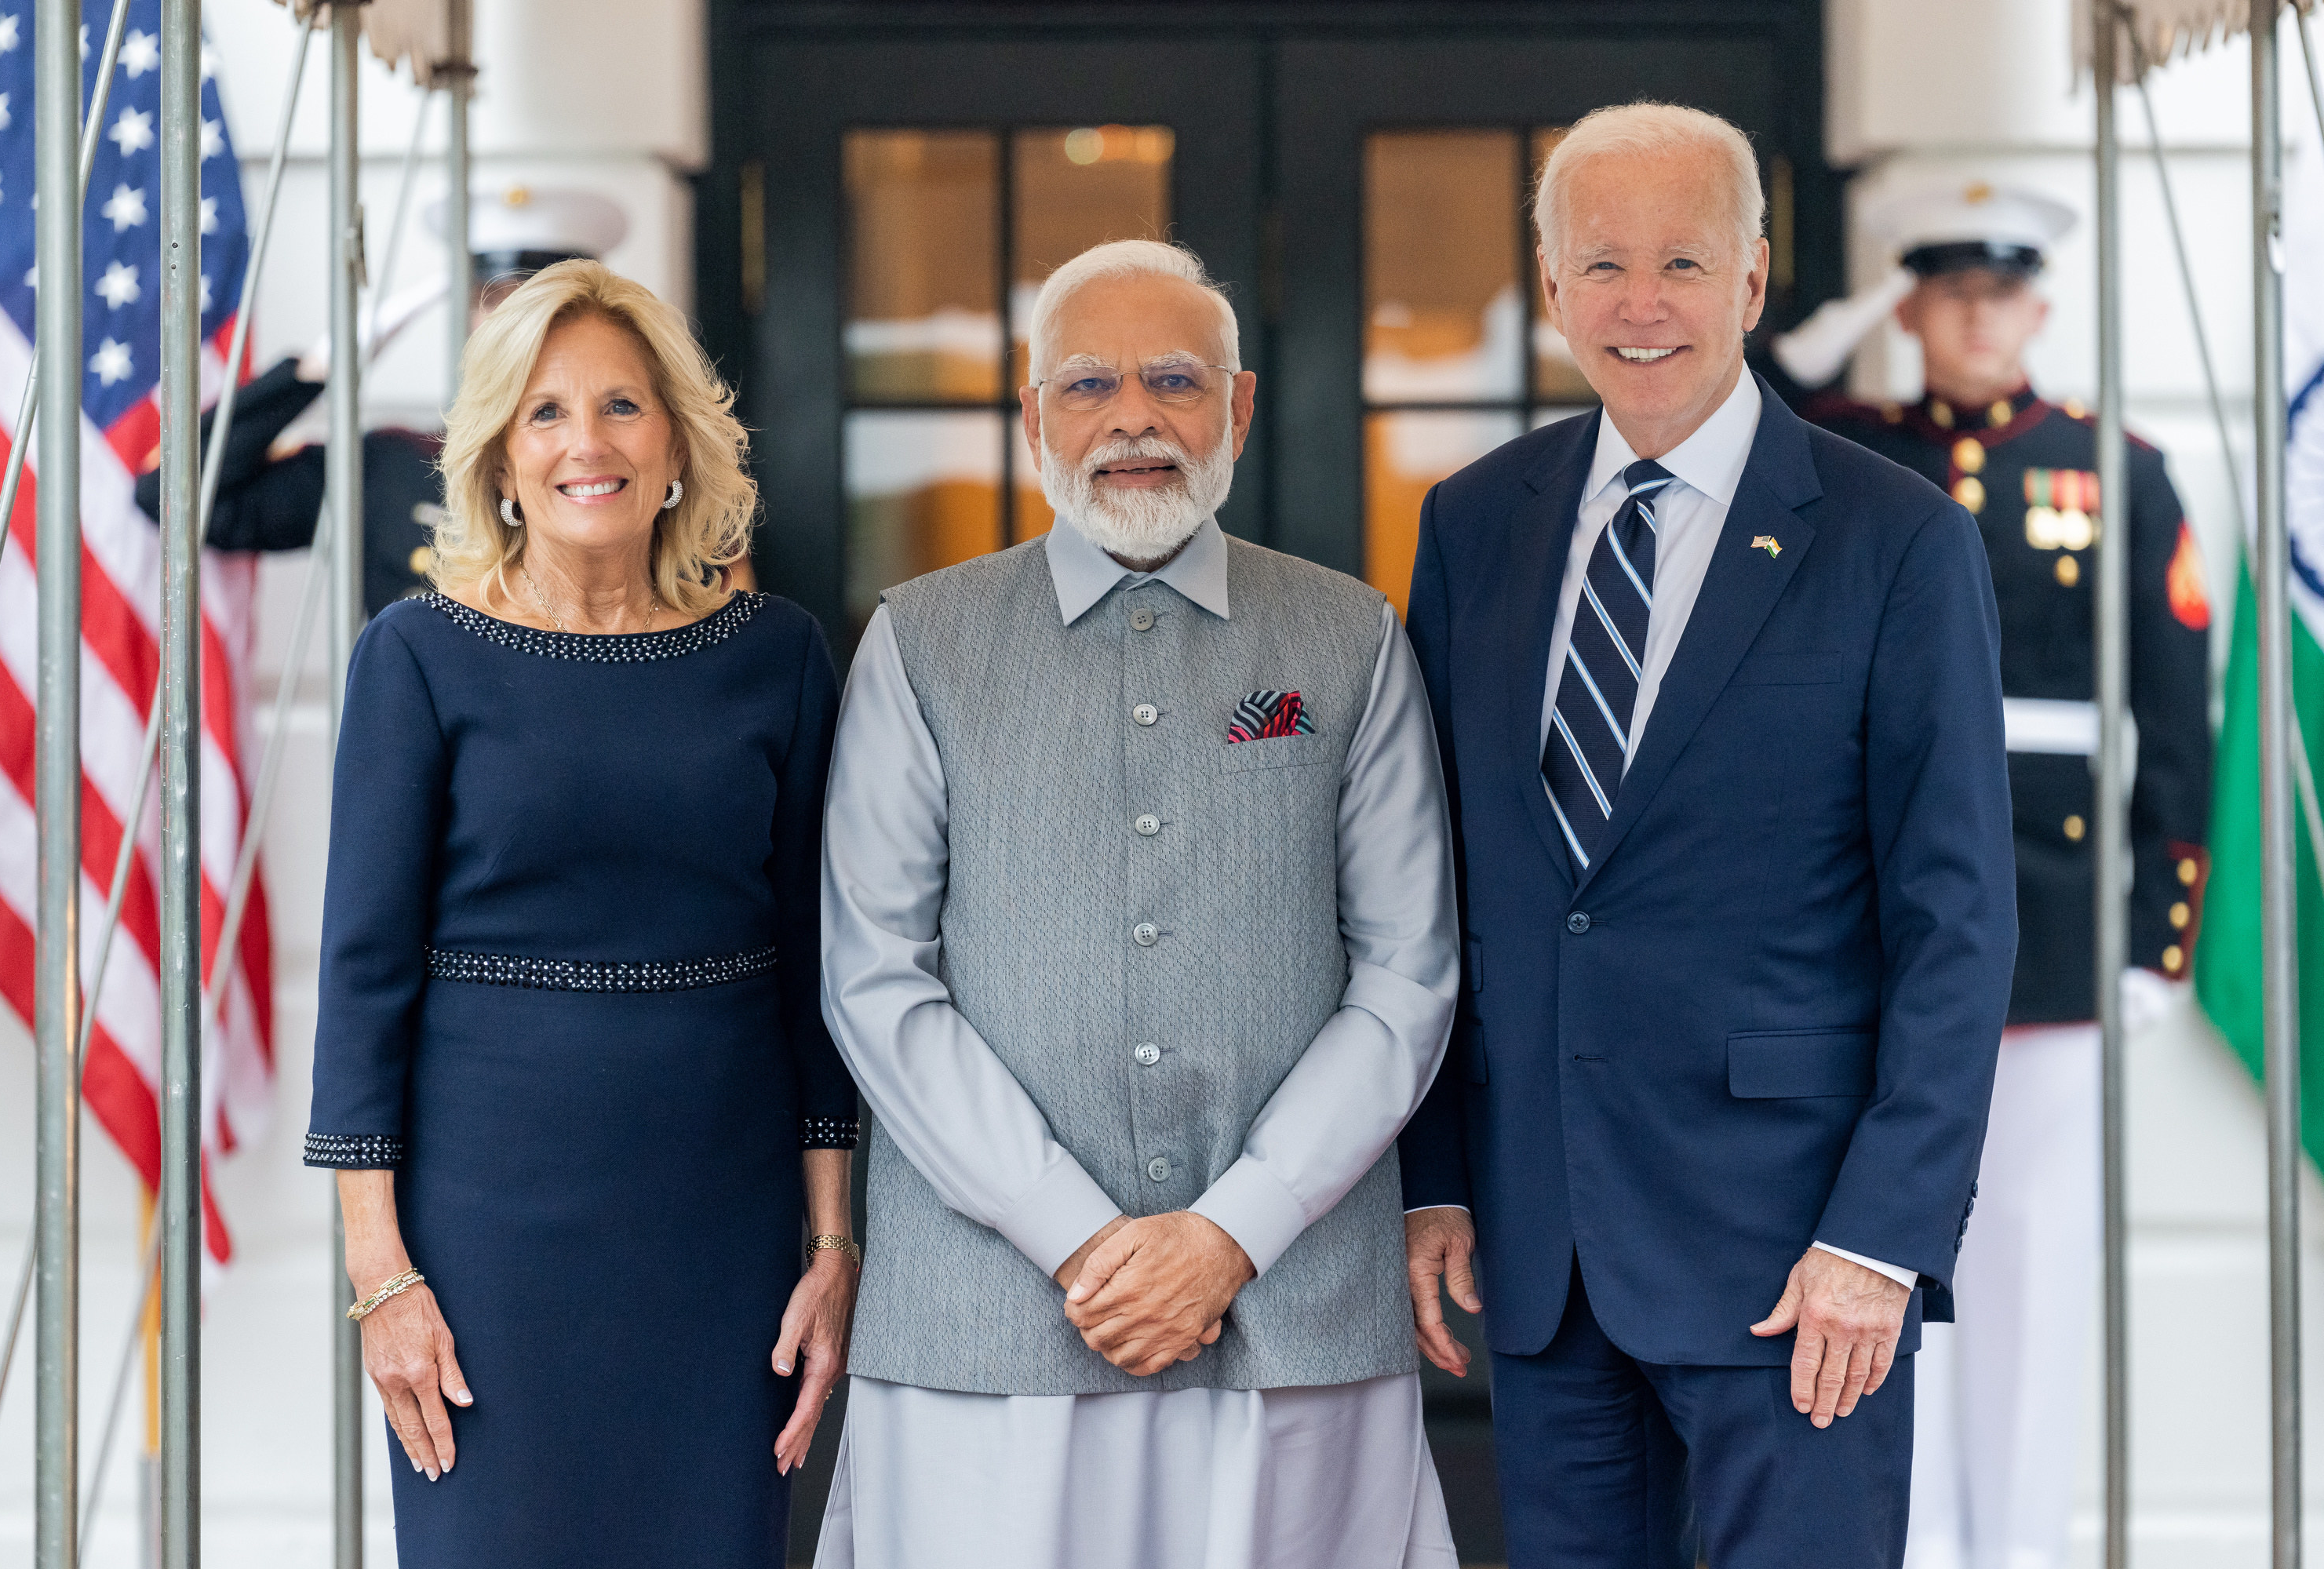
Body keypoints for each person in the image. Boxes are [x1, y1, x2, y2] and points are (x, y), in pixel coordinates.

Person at [1397, 103, 2017, 1567]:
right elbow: (1436, 886)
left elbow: (1958, 918)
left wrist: (1883, 1240)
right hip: (1544, 1259)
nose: (1641, 304)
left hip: (1799, 1267)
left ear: (1752, 283)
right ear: (1549, 289)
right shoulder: (1474, 523)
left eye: (1683, 262)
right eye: (1601, 264)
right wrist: (1432, 1174)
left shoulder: (1897, 538)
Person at [814, 238, 1461, 1568]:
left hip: (1291, 1310)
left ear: (1240, 405)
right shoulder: (920, 641)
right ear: (1031, 412)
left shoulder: (1351, 636)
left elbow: (1408, 977)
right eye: (1088, 384)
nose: (1132, 420)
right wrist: (1081, 1240)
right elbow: (876, 978)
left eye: (1175, 380)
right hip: (986, 1324)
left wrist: (1231, 1235)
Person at [303, 259, 858, 1569]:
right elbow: (362, 986)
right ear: (499, 456)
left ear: (677, 440)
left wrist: (833, 1245)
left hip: (716, 1236)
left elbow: (819, 974)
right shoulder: (418, 658)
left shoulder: (776, 658)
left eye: (620, 405)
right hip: (485, 1245)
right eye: (545, 413)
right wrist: (381, 1280)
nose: (585, 444)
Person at [1791, 182, 2214, 1569]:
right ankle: (1901, 1544)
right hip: (1872, 913)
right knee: (1875, 1258)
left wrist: (2160, 931)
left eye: (2002, 294)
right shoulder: (1846, 449)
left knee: (2026, 1276)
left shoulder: (2120, 468)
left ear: (2037, 308)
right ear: (1911, 308)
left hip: (2048, 914)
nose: (1978, 318)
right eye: (1948, 294)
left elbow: (2175, 711)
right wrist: (1824, 331)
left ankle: (2020, 1548)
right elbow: (1716, 406)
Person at [133, 186, 629, 614]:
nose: (521, 335)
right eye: (496, 304)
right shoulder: (389, 465)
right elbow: (171, 495)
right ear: (467, 321)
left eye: (545, 309)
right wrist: (312, 372)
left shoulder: (633, 463)